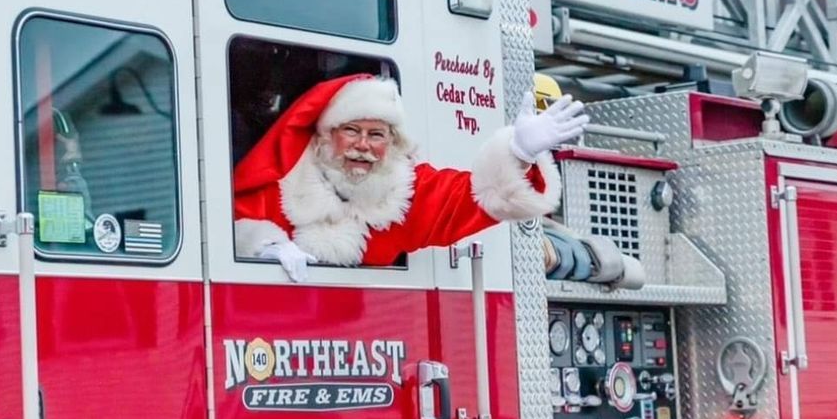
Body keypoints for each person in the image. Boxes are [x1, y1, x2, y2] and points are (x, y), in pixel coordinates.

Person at [233, 72, 588, 280]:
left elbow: (473, 196)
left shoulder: (402, 192)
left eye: (376, 135)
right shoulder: (287, 183)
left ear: (392, 142)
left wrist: (520, 153)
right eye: (351, 131)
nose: (363, 146)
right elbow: (233, 219)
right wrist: (263, 246)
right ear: (326, 136)